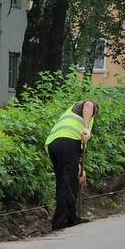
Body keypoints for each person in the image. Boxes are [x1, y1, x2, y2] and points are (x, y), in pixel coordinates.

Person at [44, 99, 98, 230]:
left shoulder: (72, 115)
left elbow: (73, 156)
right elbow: (89, 104)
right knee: (67, 183)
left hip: (54, 145)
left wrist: (79, 171)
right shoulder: (87, 107)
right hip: (67, 143)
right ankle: (61, 222)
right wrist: (86, 128)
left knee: (66, 182)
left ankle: (68, 218)